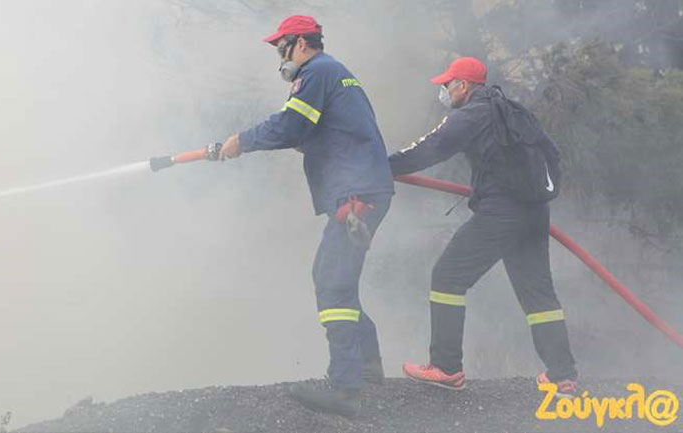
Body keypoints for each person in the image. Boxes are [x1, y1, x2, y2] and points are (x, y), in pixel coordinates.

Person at [217, 15, 394, 416]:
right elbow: (320, 130)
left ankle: (346, 390)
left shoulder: (316, 72)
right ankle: (368, 363)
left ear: (300, 43)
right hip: (361, 188)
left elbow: (291, 125)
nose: (279, 56)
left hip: (356, 194)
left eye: (281, 47)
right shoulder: (336, 73)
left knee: (333, 284)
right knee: (331, 275)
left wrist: (241, 142)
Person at [388, 57, 579, 397]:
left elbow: (431, 148)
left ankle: (446, 367)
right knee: (538, 294)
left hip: (502, 211)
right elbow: (552, 152)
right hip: (535, 212)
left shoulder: (470, 114)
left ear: (464, 85)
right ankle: (562, 376)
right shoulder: (512, 109)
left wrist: (383, 166)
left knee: (447, 277)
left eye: (447, 85)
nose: (444, 91)